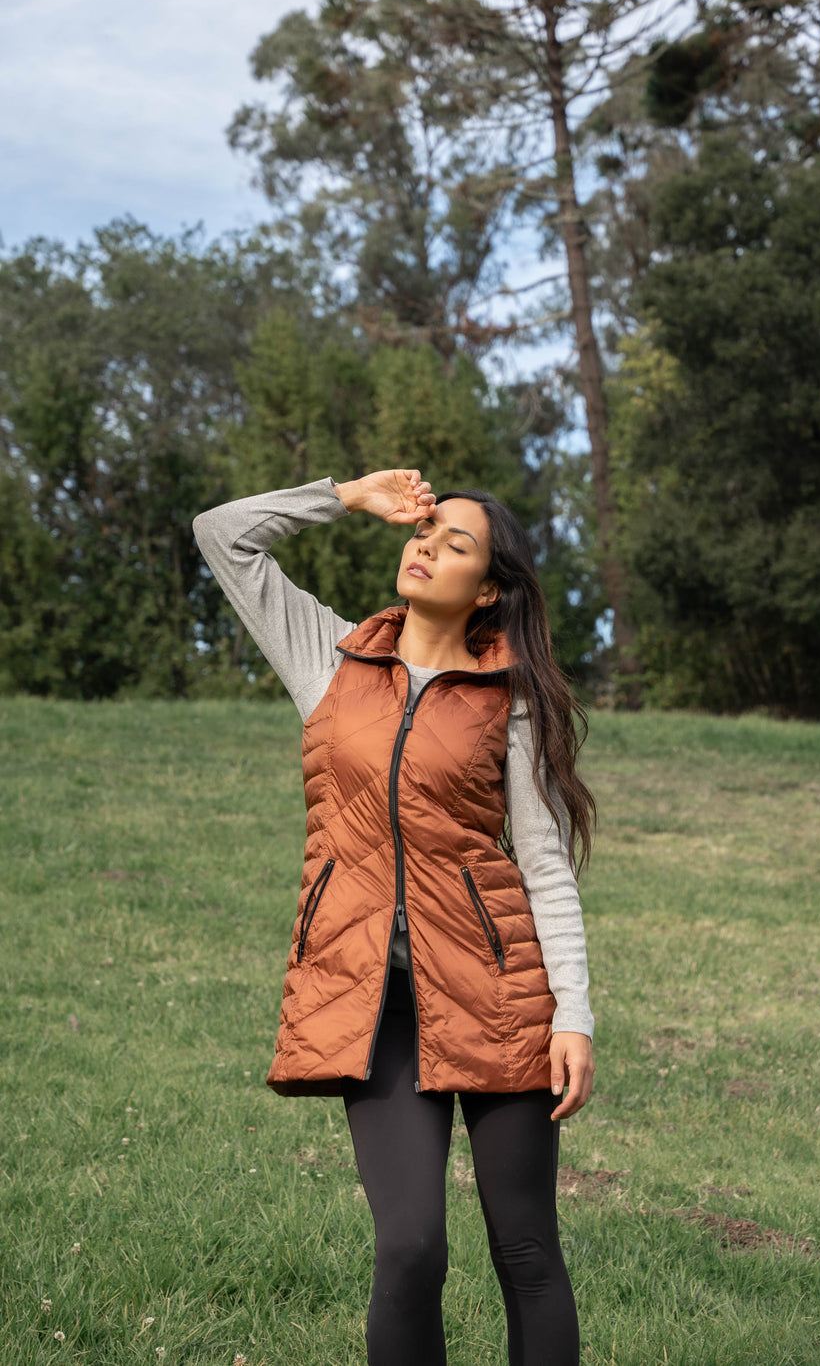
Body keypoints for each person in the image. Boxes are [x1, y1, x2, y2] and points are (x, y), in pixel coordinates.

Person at [192, 466, 597, 1366]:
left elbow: (543, 866)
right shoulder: (328, 660)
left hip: (497, 988)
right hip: (375, 999)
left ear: (487, 589)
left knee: (526, 1249)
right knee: (410, 1246)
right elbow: (221, 533)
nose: (427, 547)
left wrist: (572, 1014)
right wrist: (345, 497)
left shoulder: (511, 697)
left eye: (457, 544)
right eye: (425, 532)